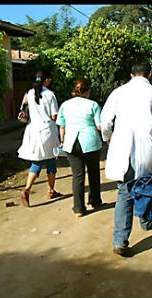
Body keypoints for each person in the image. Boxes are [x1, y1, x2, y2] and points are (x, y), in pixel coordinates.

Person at [100, 61, 152, 257]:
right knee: (147, 187)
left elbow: (105, 121)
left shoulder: (118, 92)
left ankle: (122, 239)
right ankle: (140, 227)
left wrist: (108, 138)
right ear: (150, 74)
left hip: (122, 148)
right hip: (147, 150)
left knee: (125, 192)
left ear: (131, 75)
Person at [56, 79, 102, 217]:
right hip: (90, 141)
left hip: (71, 142)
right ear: (87, 91)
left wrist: (63, 141)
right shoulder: (93, 105)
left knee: (77, 175)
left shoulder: (65, 105)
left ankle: (78, 208)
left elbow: (62, 126)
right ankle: (95, 201)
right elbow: (99, 126)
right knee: (93, 172)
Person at [17, 71, 62, 207]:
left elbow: (23, 112)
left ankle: (27, 189)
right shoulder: (50, 95)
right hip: (48, 131)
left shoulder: (28, 94)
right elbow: (54, 116)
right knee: (51, 162)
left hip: (33, 131)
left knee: (36, 162)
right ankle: (50, 190)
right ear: (46, 81)